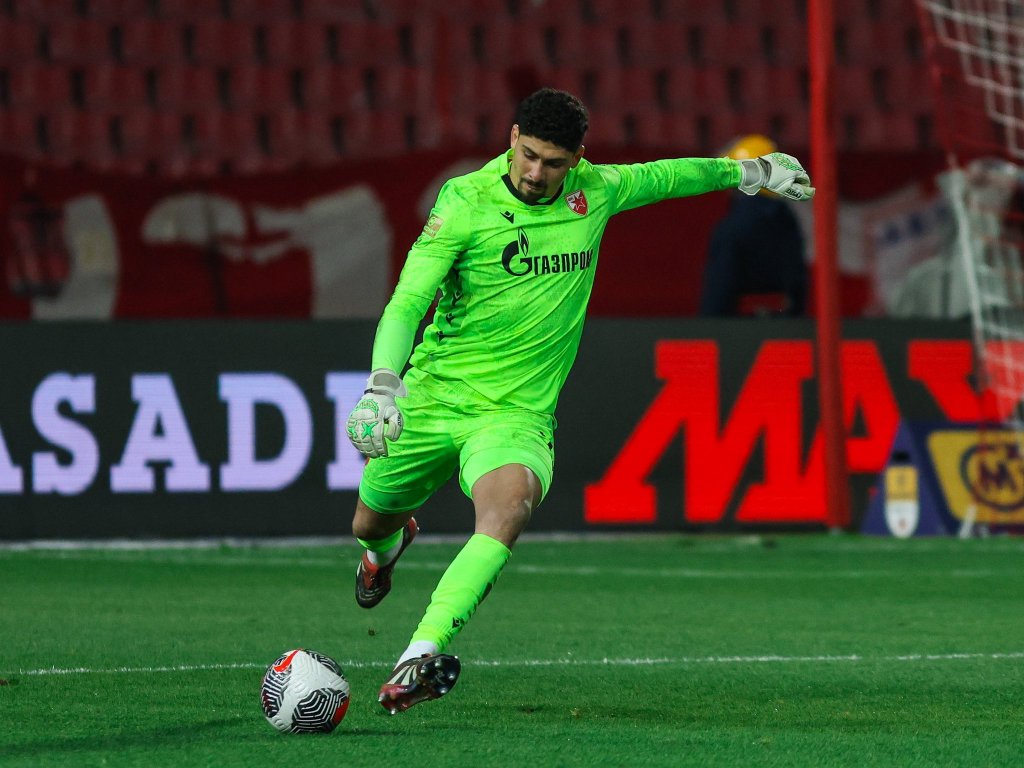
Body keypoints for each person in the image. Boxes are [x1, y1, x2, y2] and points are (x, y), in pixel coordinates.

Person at [345, 88, 815, 715]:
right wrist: (383, 384)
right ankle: (384, 550)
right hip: (436, 396)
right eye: (530, 156)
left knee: (508, 509)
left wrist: (752, 172)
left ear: (578, 158)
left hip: (515, 415)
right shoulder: (463, 201)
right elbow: (408, 301)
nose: (537, 174)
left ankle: (418, 654)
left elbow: (670, 176)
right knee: (368, 523)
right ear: (513, 138)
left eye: (554, 163)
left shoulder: (595, 190)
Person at [699, 134, 808, 317]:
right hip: (787, 328)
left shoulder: (732, 228)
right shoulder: (788, 221)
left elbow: (718, 295)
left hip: (738, 331)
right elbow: (798, 286)